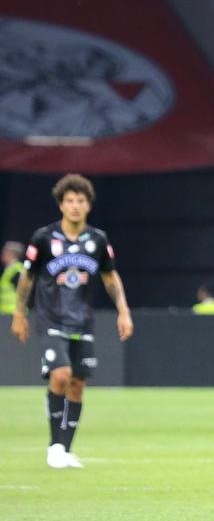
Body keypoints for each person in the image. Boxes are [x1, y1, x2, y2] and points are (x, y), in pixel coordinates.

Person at [10, 174, 134, 469]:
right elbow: (27, 276)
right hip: (51, 319)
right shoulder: (44, 237)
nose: (75, 206)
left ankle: (66, 450)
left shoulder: (98, 239)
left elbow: (109, 275)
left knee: (77, 384)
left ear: (89, 205)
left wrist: (124, 310)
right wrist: (19, 313)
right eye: (69, 201)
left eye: (81, 200)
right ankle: (54, 445)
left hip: (83, 321)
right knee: (61, 375)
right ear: (61, 205)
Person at [1, 241, 26, 314]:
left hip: (14, 312)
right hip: (7, 312)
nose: (2, 255)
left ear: (11, 253)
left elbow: (23, 291)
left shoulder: (16, 270)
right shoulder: (9, 269)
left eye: (4, 252)